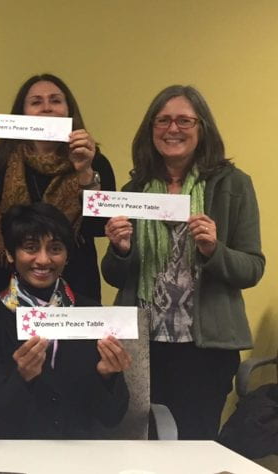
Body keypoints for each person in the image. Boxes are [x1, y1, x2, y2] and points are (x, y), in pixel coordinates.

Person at [102, 85, 264, 440]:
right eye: (163, 120)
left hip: (205, 351)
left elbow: (252, 267)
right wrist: (122, 249)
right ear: (151, 129)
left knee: (196, 445)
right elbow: (114, 276)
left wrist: (213, 251)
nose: (172, 129)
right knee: (142, 443)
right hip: (144, 346)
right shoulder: (134, 191)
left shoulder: (233, 185)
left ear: (202, 128)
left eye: (184, 120)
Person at [0, 203, 130, 439]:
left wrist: (107, 377)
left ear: (67, 256)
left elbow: (111, 417)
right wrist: (22, 377)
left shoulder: (90, 313)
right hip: (14, 451)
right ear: (10, 254)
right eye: (30, 248)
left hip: (77, 451)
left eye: (55, 249)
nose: (43, 260)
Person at [0, 74, 115, 302]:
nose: (46, 108)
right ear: (22, 114)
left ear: (69, 111)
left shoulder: (94, 161)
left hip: (74, 283)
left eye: (55, 101)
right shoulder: (2, 161)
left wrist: (84, 172)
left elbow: (99, 227)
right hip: (6, 283)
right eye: (36, 102)